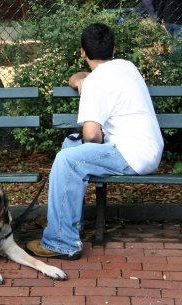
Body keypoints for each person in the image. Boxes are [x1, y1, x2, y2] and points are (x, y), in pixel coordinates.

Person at [26, 23, 164, 260]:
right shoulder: (126, 66)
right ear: (114, 49)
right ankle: (66, 221)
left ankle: (61, 242)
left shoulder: (95, 83)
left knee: (67, 160)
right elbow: (82, 77)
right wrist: (79, 79)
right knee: (70, 145)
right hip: (147, 148)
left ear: (82, 52)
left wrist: (87, 88)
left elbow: (91, 135)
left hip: (132, 154)